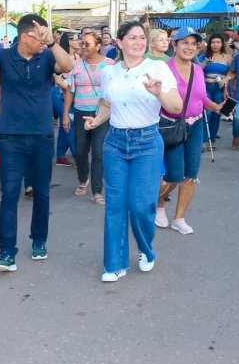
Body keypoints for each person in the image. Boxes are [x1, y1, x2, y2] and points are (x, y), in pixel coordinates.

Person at [0, 7, 74, 273]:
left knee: (41, 193)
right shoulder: (5, 57)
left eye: (45, 37)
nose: (43, 40)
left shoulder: (47, 57)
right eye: (40, 36)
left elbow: (68, 66)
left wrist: (52, 42)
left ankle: (39, 240)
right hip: (10, 138)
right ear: (25, 36)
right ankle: (7, 253)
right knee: (9, 195)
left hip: (42, 136)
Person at [83, 21, 182, 281]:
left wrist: (160, 93)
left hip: (147, 142)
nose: (138, 42)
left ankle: (147, 251)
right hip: (115, 142)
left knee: (140, 205)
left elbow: (176, 106)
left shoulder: (158, 68)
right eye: (132, 37)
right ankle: (114, 265)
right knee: (115, 205)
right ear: (120, 42)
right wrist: (96, 120)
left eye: (142, 38)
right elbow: (106, 103)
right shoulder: (109, 72)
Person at [156, 28, 225, 234]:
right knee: (174, 175)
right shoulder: (164, 69)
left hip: (196, 126)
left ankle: (179, 218)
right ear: (174, 45)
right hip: (172, 126)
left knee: (191, 174)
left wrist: (213, 105)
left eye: (193, 44)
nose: (189, 47)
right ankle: (158, 205)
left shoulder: (197, 69)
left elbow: (200, 96)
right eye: (184, 43)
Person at [63, 31, 114, 205]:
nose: (82, 47)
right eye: (81, 43)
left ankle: (97, 191)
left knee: (99, 153)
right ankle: (82, 179)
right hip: (80, 113)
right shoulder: (76, 65)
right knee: (81, 151)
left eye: (87, 44)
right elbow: (70, 91)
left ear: (98, 46)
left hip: (102, 115)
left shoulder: (109, 65)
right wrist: (65, 115)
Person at [199, 33, 232, 147]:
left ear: (222, 43)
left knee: (216, 113)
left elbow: (232, 73)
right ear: (209, 43)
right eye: (213, 42)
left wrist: (226, 83)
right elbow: (196, 70)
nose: (215, 45)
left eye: (218, 42)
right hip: (205, 87)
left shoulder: (228, 58)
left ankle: (211, 140)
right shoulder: (203, 56)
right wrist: (205, 62)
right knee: (206, 113)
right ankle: (203, 141)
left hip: (220, 88)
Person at [52, 33, 77, 166]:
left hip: (71, 94)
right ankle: (77, 155)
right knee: (69, 124)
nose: (78, 41)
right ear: (68, 42)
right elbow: (57, 79)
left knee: (65, 124)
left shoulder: (78, 57)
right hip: (58, 94)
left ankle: (60, 156)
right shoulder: (60, 57)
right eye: (75, 39)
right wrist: (72, 91)